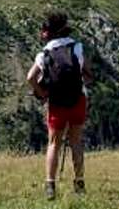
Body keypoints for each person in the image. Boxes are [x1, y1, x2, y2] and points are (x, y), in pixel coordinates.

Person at [26, 12, 93, 201]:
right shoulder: (77, 48)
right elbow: (88, 74)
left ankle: (50, 185)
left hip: (56, 103)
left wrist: (42, 92)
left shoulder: (44, 54)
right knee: (76, 142)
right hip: (77, 99)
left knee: (53, 143)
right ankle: (79, 183)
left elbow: (30, 77)